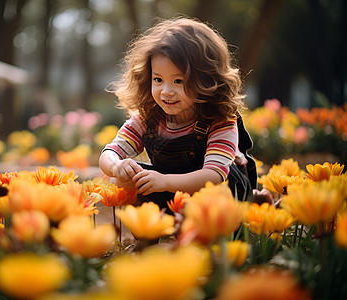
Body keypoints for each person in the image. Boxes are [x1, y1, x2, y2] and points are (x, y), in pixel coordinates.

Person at [99, 17, 258, 211]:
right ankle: (148, 232)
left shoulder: (219, 120)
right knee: (126, 178)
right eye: (158, 79)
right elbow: (110, 153)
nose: (166, 91)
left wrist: (165, 182)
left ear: (206, 81)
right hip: (170, 189)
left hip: (220, 193)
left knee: (216, 193)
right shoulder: (148, 118)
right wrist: (116, 166)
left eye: (178, 81)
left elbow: (213, 175)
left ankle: (255, 201)